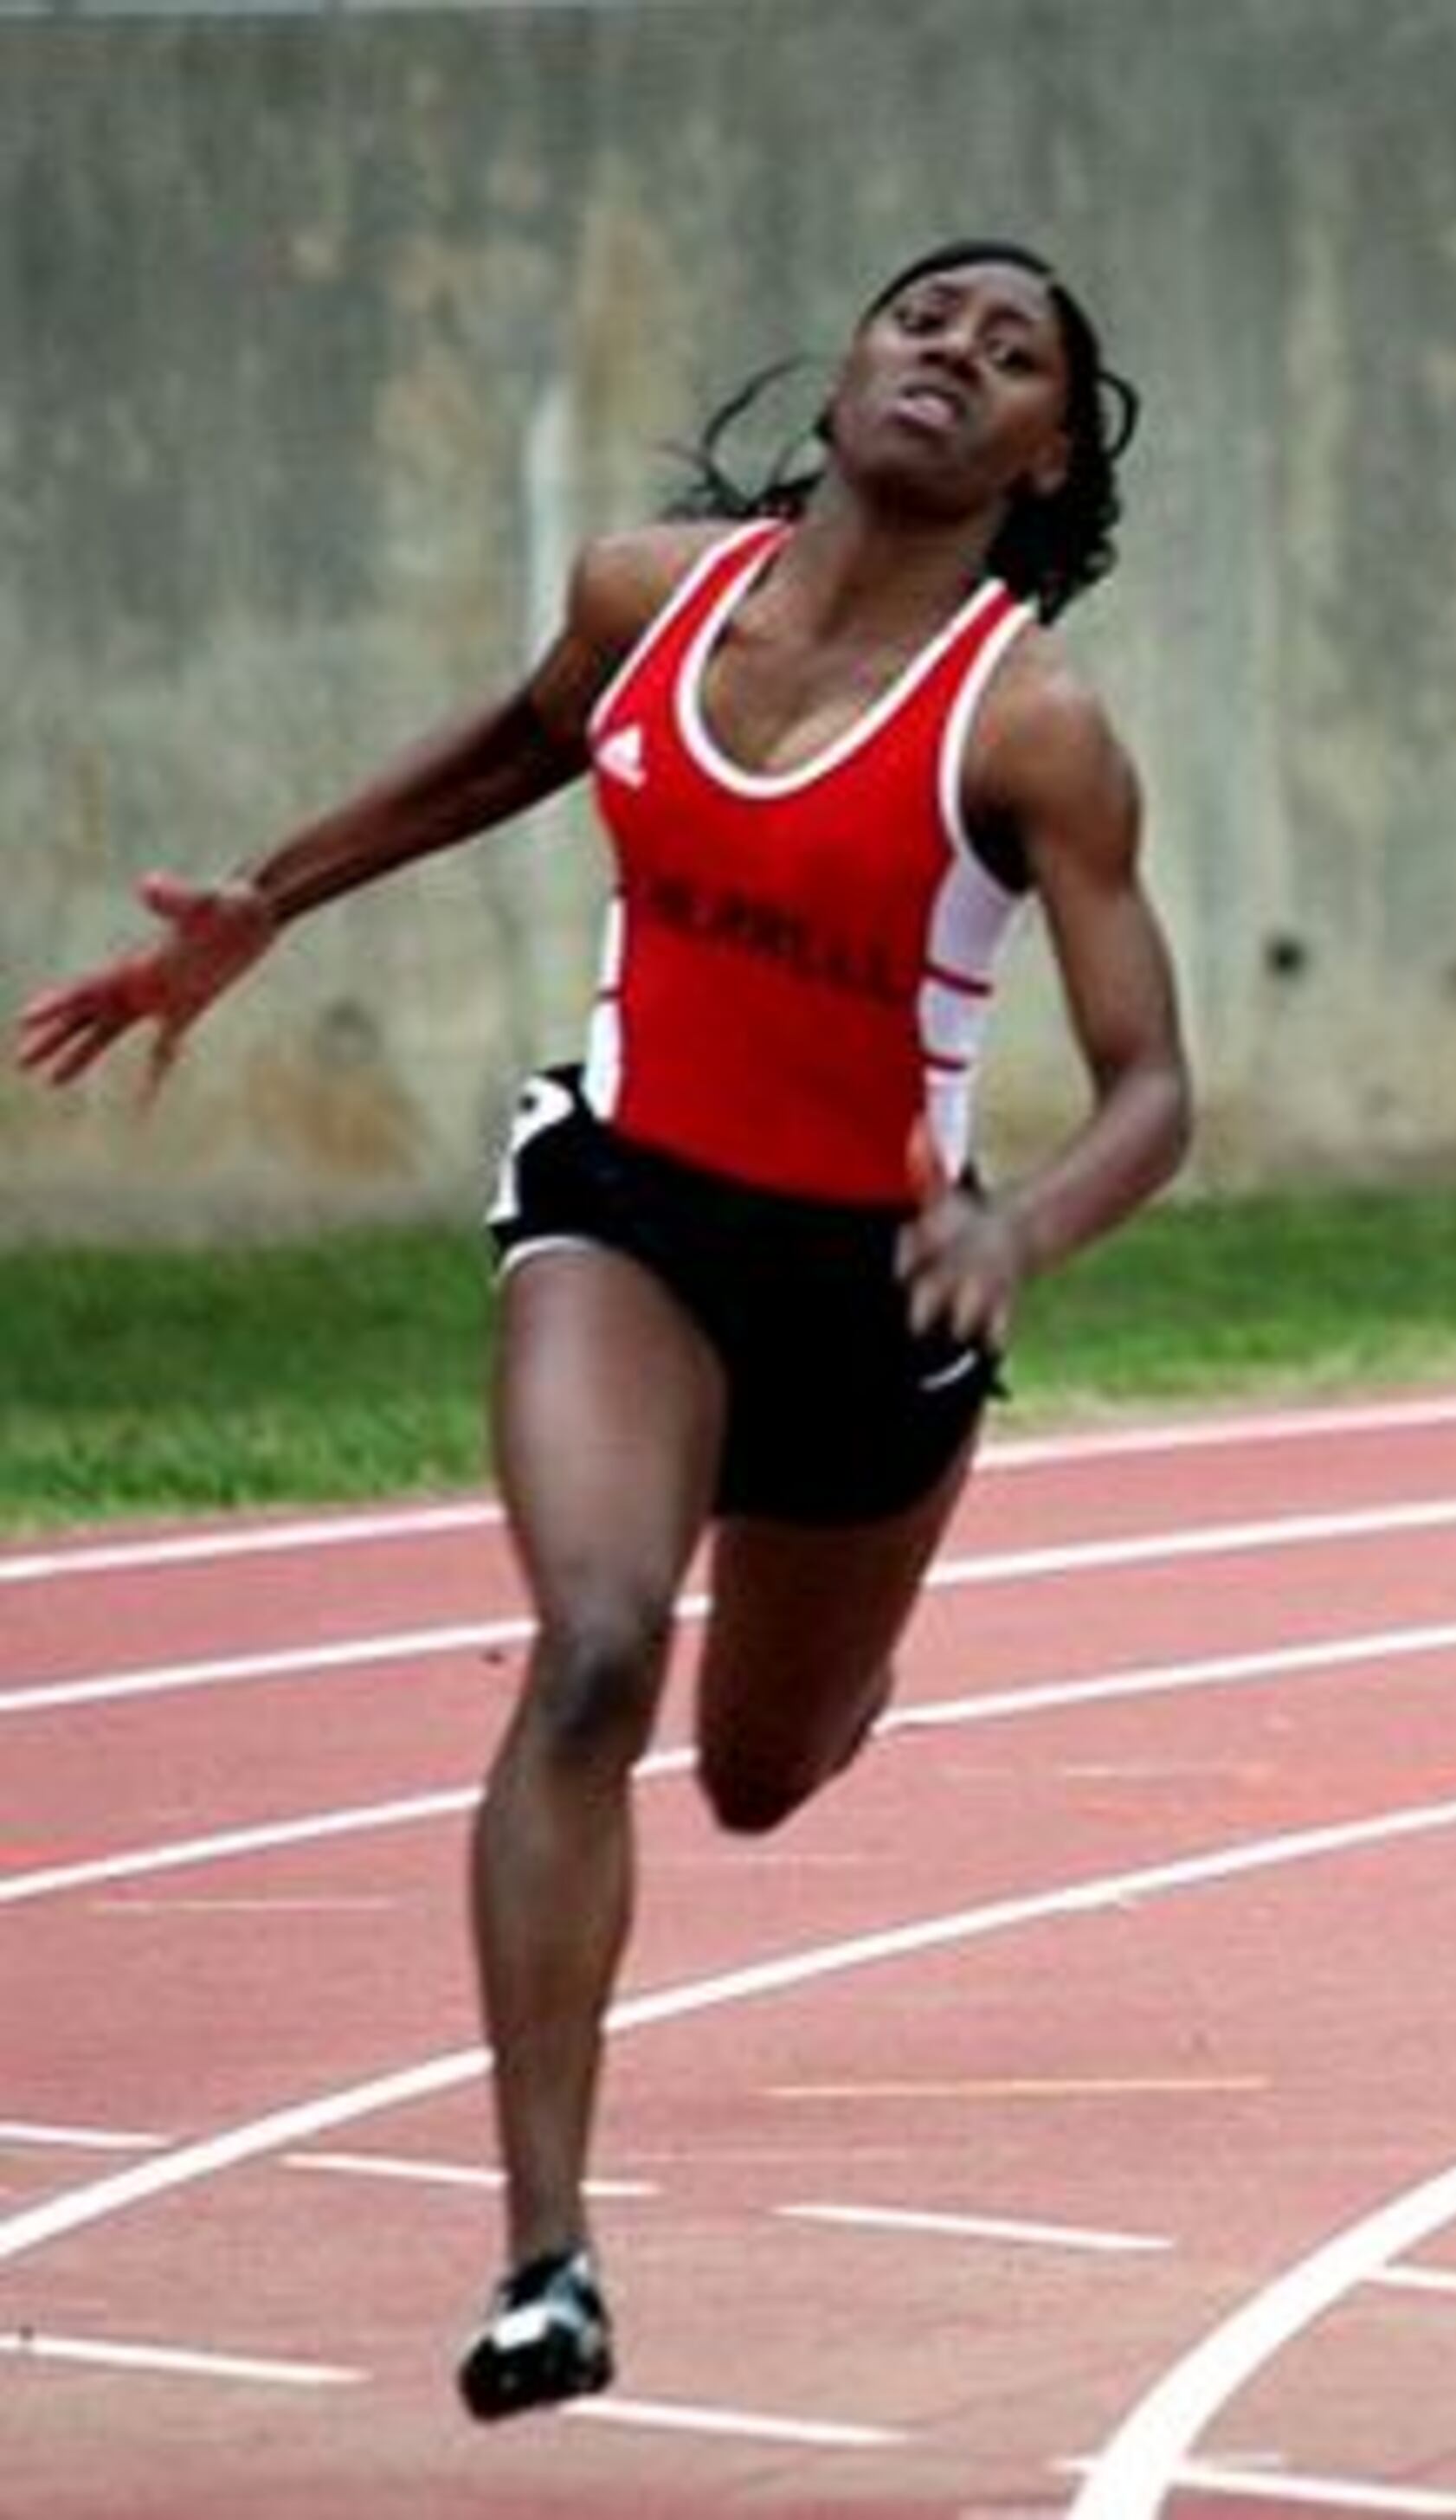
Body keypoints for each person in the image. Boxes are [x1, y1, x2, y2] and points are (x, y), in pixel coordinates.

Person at [15, 240, 1195, 2423]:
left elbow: (1155, 1087)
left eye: (1015, 354)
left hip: (881, 1286)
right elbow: (511, 752)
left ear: (1043, 462)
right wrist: (268, 901)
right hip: (628, 1209)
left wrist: (1020, 1228)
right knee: (587, 1649)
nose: (957, 352)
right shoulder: (648, 591)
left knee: (757, 1774)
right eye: (927, 315)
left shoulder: (1030, 724)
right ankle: (547, 2253)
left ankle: (833, 1655)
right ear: (847, 360)